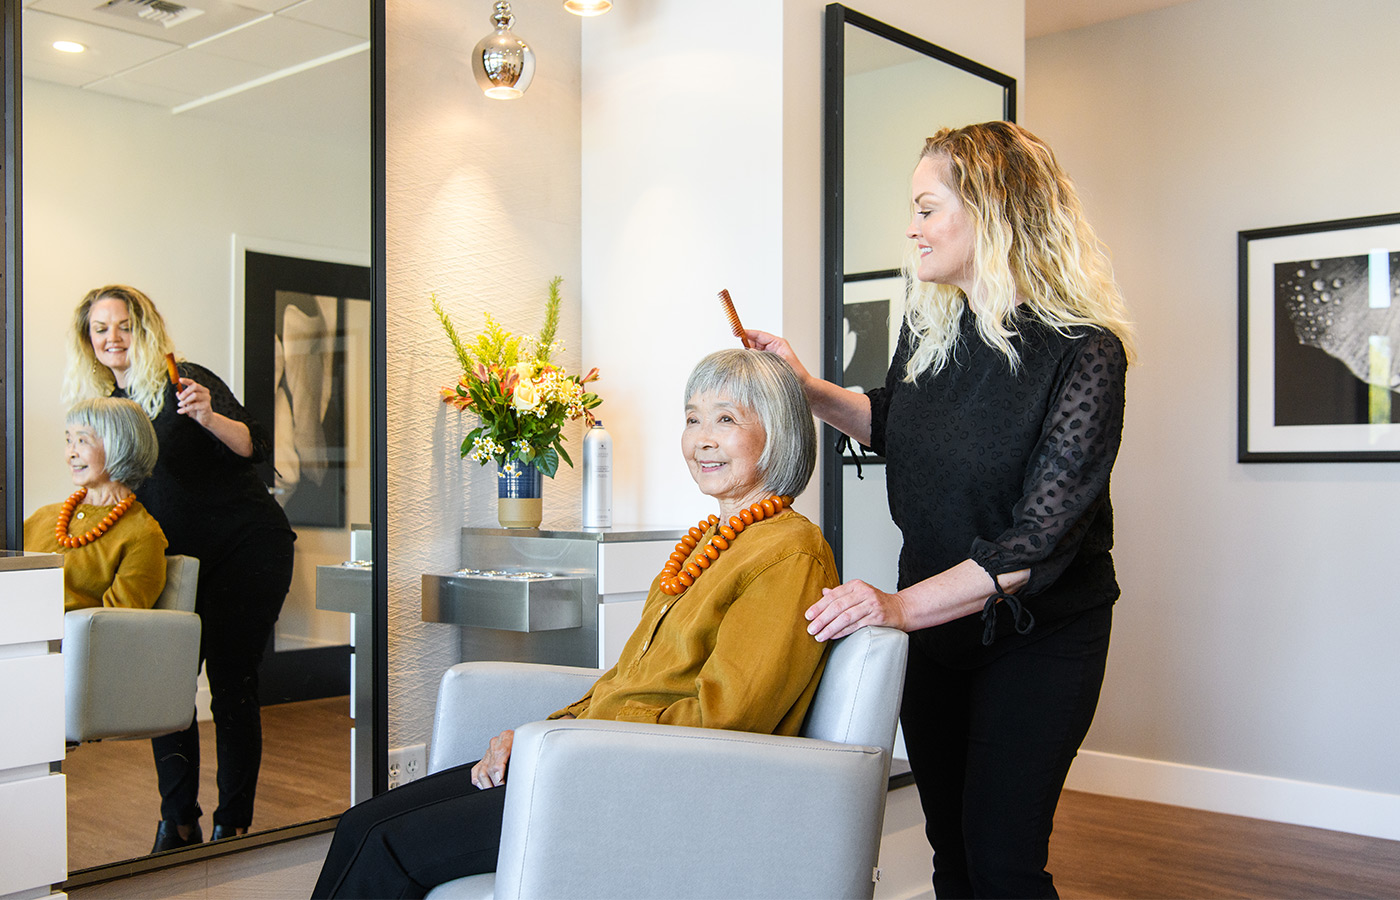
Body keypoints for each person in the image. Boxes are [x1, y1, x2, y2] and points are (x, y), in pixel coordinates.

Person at [749, 120, 1135, 899]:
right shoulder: (933, 330)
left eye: (927, 208)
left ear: (992, 211)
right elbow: (899, 423)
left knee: (1004, 863)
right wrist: (806, 387)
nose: (911, 228)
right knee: (952, 855)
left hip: (1040, 638)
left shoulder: (1086, 353)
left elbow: (1035, 540)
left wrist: (892, 606)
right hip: (936, 628)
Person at [312, 348, 836, 899]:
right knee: (360, 824)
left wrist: (571, 744)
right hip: (593, 759)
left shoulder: (790, 553)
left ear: (778, 432)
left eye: (726, 419)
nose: (701, 437)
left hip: (640, 784)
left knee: (388, 846)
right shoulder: (709, 539)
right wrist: (537, 734)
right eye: (692, 418)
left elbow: (727, 718)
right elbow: (625, 682)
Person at [63, 285, 296, 852]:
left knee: (232, 686)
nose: (111, 337)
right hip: (172, 557)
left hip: (246, 547)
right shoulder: (106, 405)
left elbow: (256, 446)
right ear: (88, 340)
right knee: (167, 685)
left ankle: (232, 823)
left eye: (122, 325)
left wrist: (210, 417)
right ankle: (178, 821)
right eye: (100, 329)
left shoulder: (183, 378)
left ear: (142, 329)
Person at [24, 397, 167, 611]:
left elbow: (114, 626)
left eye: (82, 441)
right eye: (68, 440)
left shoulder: (143, 535)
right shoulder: (43, 516)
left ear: (119, 445)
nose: (71, 453)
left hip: (57, 643)